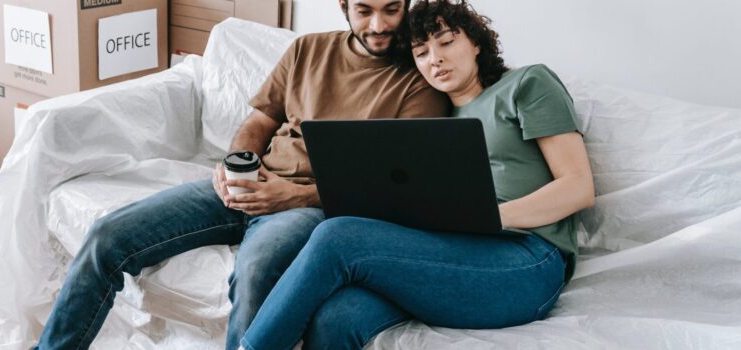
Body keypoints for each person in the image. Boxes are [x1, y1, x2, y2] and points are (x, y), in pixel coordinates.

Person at [34, 0, 450, 348]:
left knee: (254, 273)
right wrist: (238, 164)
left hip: (310, 206)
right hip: (251, 183)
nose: (378, 25)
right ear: (343, 6)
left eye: (392, 9)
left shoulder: (421, 80)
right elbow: (258, 122)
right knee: (108, 235)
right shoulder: (308, 50)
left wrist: (294, 196)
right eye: (364, 10)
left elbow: (396, 184)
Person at [238, 1, 595, 349]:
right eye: (420, 51)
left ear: (475, 42)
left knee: (337, 236)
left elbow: (578, 187)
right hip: (452, 253)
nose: (434, 58)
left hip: (527, 260)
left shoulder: (527, 83)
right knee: (337, 316)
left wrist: (489, 217)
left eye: (446, 41)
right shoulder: (433, 123)